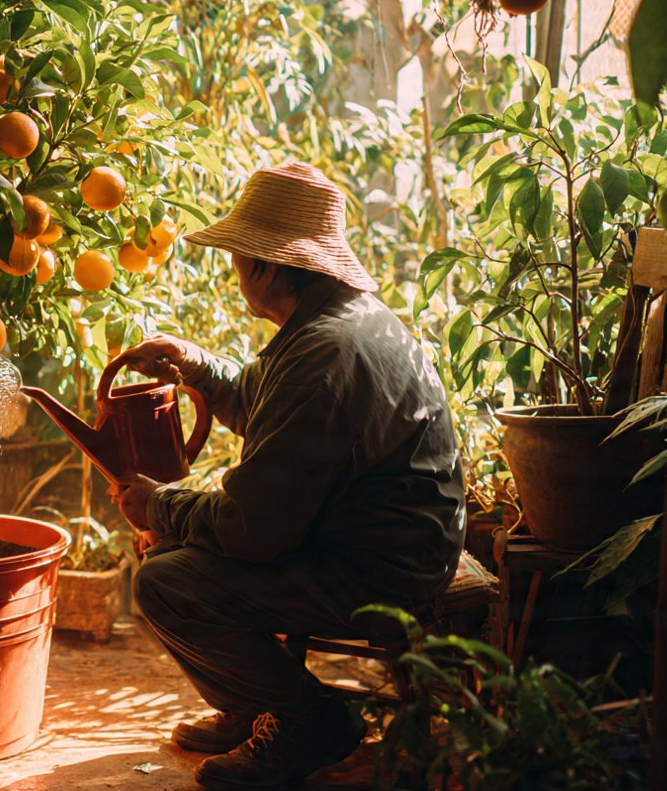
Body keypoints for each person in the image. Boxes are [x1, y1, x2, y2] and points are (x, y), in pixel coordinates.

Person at [108, 162, 465, 791]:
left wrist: (159, 505)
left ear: (265, 267)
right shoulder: (339, 323)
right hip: (390, 541)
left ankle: (311, 723)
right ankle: (255, 704)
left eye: (238, 257)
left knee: (166, 580)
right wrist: (193, 362)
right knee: (172, 550)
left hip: (381, 568)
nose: (234, 269)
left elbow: (252, 531)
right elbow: (260, 401)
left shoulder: (324, 355)